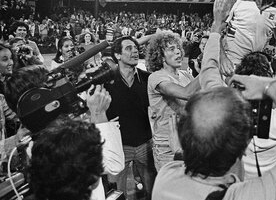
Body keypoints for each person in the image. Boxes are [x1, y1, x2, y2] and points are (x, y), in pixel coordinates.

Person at [152, 76, 276, 200]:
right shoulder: (246, 196)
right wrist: (272, 87)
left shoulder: (166, 176)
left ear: (182, 136)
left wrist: (179, 154)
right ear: (245, 146)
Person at [198, 0, 276, 179]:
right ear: (268, 82)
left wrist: (217, 25)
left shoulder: (222, 113)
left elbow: (209, 68)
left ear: (239, 82)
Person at [3, 65, 125, 200]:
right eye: (48, 85)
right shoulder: (56, 144)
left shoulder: (38, 135)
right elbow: (113, 164)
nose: (55, 89)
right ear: (34, 98)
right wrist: (99, 114)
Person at [105, 36, 156, 199]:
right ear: (117, 55)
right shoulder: (106, 81)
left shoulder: (148, 78)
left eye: (136, 47)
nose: (135, 51)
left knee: (152, 191)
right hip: (118, 147)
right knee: (116, 194)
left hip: (145, 144)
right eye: (129, 48)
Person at [146, 30, 201, 170]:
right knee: (170, 188)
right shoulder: (156, 77)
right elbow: (186, 93)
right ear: (161, 56)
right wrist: (208, 69)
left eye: (178, 48)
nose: (178, 52)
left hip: (188, 140)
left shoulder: (185, 75)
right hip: (166, 146)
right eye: (172, 49)